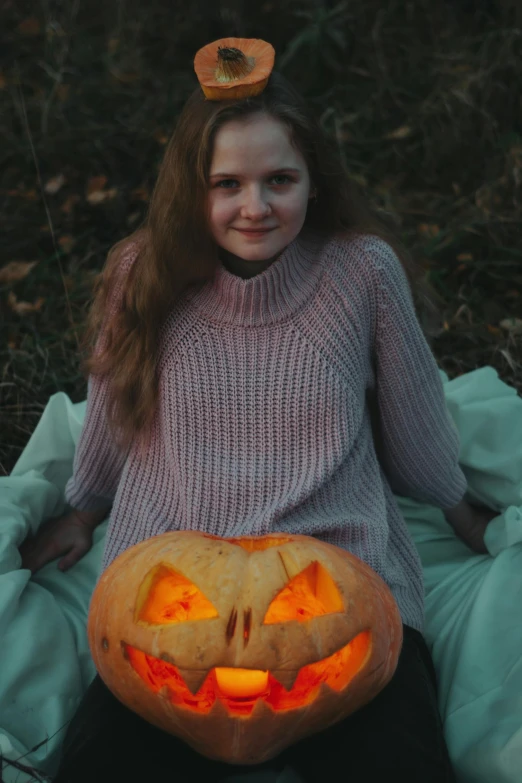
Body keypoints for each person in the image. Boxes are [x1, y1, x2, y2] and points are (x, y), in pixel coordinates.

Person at [19, 36, 497, 783]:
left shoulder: (360, 273)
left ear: (313, 180)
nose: (255, 206)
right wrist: (81, 507)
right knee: (101, 768)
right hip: (174, 598)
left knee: (400, 764)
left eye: (280, 179)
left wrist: (461, 504)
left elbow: (413, 426)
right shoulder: (143, 274)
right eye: (227, 184)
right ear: (193, 187)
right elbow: (117, 411)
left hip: (336, 588)